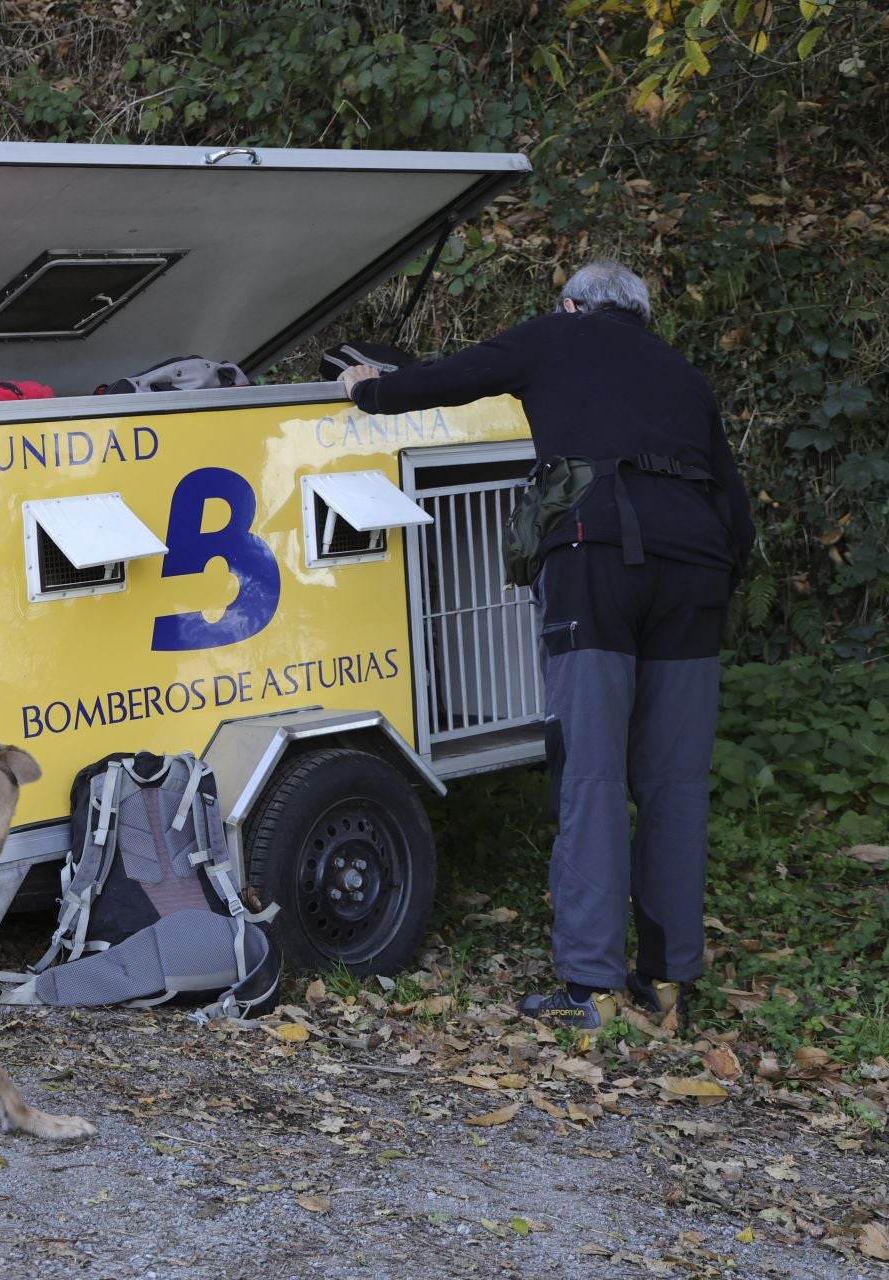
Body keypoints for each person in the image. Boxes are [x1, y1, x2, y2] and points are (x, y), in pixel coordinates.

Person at [338, 259, 755, 1030]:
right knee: (674, 780)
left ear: (571, 304)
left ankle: (590, 987)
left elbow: (447, 379)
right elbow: (737, 511)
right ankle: (664, 985)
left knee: (591, 770)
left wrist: (369, 387)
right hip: (697, 572)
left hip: (596, 557)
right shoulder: (685, 377)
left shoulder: (555, 337)